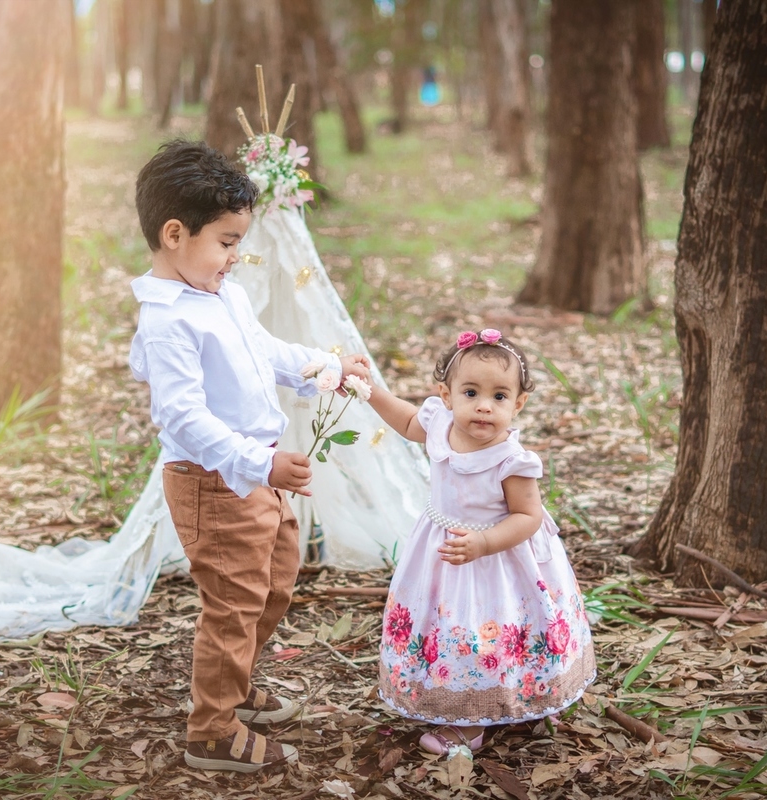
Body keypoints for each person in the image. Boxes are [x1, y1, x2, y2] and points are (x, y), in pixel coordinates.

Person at [130, 139, 371, 772]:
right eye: (228, 241)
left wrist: (325, 367)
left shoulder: (218, 293)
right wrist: (260, 464)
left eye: (239, 241)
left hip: (254, 471)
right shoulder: (167, 321)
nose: (236, 256)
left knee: (275, 582)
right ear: (175, 233)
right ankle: (211, 729)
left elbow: (264, 350)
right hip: (215, 480)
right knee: (234, 604)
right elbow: (181, 416)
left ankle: (232, 688)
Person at [360, 328, 596, 753]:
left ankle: (478, 718)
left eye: (500, 397)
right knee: (444, 625)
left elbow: (528, 516)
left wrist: (484, 544)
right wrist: (371, 392)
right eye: (470, 392)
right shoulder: (438, 424)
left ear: (518, 403)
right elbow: (406, 419)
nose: (484, 406)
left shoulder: (512, 460)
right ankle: (450, 698)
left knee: (486, 632)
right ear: (446, 396)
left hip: (500, 560)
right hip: (441, 552)